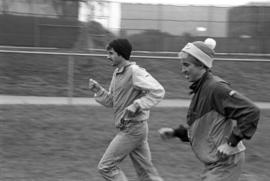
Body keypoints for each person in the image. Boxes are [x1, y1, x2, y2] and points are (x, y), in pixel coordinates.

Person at [158, 38, 260, 181]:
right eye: (182, 65)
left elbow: (251, 111)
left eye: (186, 65)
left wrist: (231, 143)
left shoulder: (215, 88)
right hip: (215, 163)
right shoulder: (201, 89)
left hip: (226, 163)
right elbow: (206, 129)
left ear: (201, 65)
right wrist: (177, 133)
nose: (183, 70)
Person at [89, 38, 165, 181]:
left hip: (133, 129)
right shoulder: (117, 73)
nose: (107, 57)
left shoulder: (134, 72)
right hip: (132, 129)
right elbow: (112, 101)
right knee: (147, 175)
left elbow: (158, 91)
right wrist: (98, 90)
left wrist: (137, 105)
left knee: (106, 167)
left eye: (111, 53)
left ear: (121, 54)